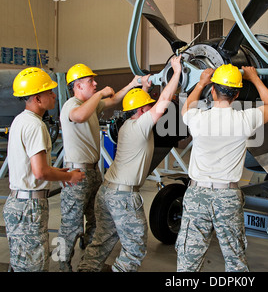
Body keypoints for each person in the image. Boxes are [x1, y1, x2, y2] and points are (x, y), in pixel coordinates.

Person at [77, 55, 182, 272]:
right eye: (147, 106)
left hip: (106, 192)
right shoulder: (143, 125)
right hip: (124, 197)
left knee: (100, 243)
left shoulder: (127, 125)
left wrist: (143, 86)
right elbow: (162, 103)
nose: (150, 108)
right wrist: (177, 71)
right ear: (143, 110)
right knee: (135, 248)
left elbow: (139, 105)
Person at [176, 64, 268, 272]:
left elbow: (186, 109)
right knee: (235, 262)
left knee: (188, 262)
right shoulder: (244, 119)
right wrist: (255, 78)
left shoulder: (198, 119)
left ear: (213, 91)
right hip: (228, 197)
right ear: (237, 94)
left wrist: (201, 83)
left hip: (197, 195)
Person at [58, 63, 141, 271]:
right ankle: (61, 264)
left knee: (95, 221)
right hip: (76, 174)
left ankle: (88, 263)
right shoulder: (71, 105)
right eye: (90, 82)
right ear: (77, 86)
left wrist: (133, 83)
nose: (95, 84)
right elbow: (79, 116)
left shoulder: (90, 104)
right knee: (69, 226)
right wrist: (101, 93)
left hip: (93, 172)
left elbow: (114, 100)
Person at [3, 67, 85, 272]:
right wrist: (70, 176)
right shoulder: (35, 126)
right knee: (34, 266)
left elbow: (33, 168)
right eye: (49, 92)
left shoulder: (20, 120)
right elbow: (40, 172)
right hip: (30, 206)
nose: (54, 95)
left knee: (21, 263)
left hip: (18, 203)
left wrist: (60, 173)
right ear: (38, 99)